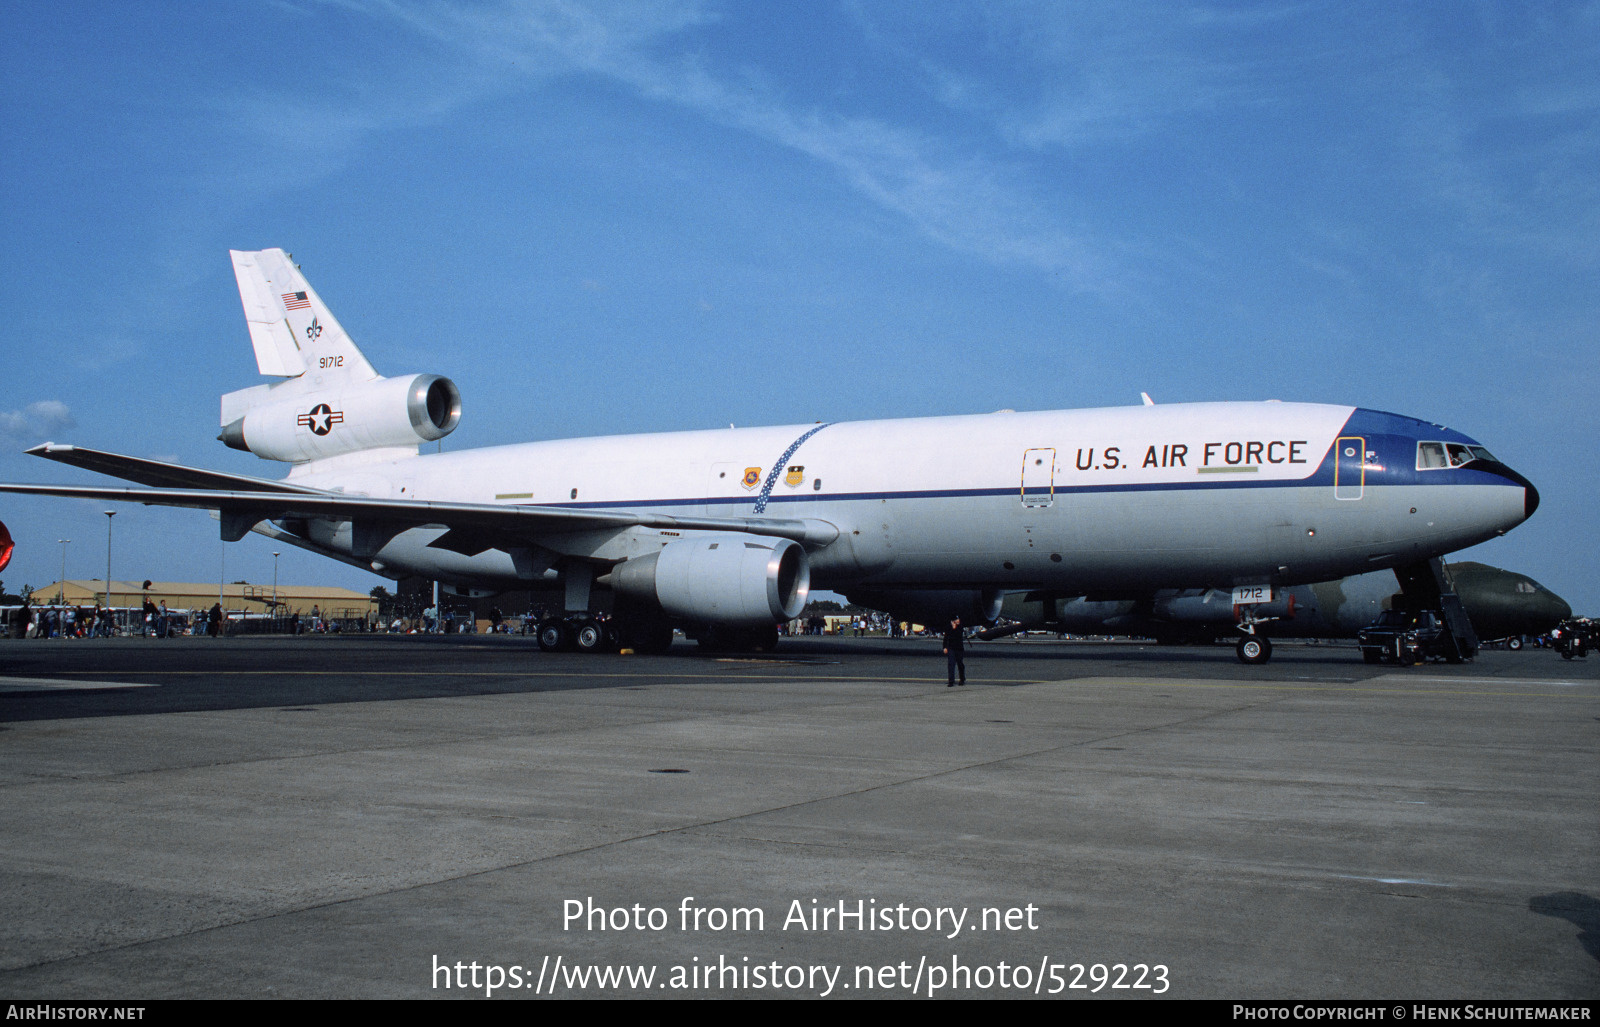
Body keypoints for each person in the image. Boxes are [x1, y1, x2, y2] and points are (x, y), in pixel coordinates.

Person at [943, 615, 967, 687]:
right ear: (953, 621)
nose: (958, 620)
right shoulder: (948, 627)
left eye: (958, 619)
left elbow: (959, 634)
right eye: (956, 619)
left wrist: (955, 628)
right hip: (951, 648)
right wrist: (944, 647)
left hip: (959, 648)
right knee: (951, 664)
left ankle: (962, 679)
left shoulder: (960, 626)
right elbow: (946, 637)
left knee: (960, 664)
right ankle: (951, 681)